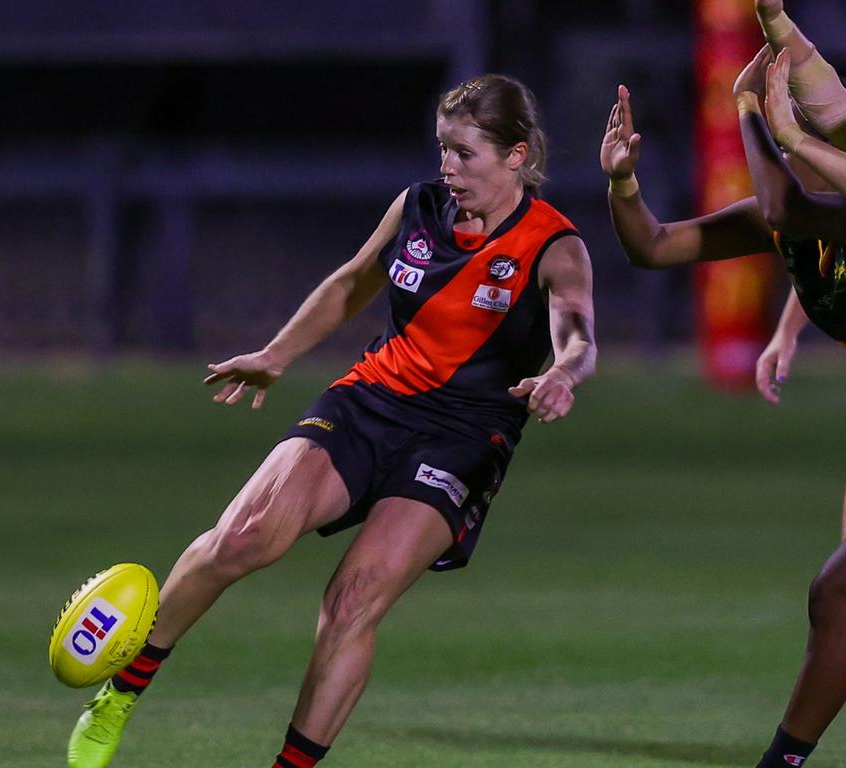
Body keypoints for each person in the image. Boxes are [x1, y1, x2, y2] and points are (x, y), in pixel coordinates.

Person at [67, 72, 597, 768]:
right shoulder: (419, 207)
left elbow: (579, 332)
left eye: (465, 153)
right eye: (442, 149)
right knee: (246, 537)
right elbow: (352, 280)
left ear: (516, 156)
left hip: (464, 437)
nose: (447, 167)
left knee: (352, 602)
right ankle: (121, 693)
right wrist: (277, 353)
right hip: (370, 399)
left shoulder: (554, 243)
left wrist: (563, 372)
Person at [601, 4, 846, 765]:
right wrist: (624, 183)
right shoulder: (801, 221)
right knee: (840, 603)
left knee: (838, 597)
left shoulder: (802, 203)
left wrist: (751, 108)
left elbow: (787, 203)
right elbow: (654, 247)